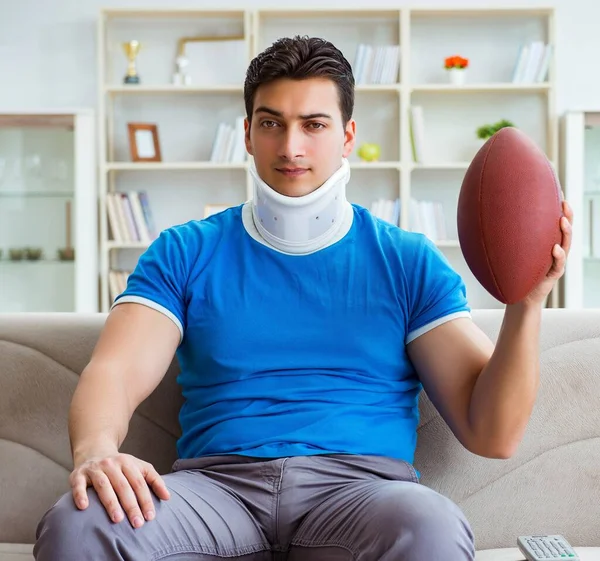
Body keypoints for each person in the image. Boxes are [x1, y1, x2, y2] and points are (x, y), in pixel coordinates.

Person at [34, 36, 572, 561]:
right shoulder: (185, 250)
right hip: (216, 490)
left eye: (314, 125)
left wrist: (526, 302)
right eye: (272, 123)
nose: (291, 147)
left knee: (431, 526)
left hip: (362, 494)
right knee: (78, 528)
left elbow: (494, 434)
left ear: (347, 135)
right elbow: (115, 372)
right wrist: (97, 451)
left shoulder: (406, 260)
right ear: (247, 134)